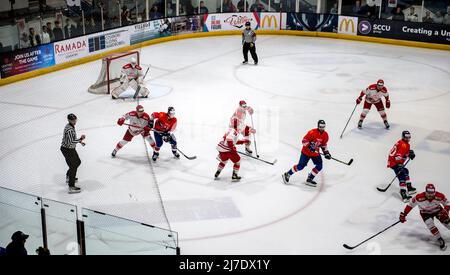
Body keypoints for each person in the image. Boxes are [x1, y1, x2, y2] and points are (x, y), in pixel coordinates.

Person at [399, 183, 450, 250]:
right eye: (428, 193)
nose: (430, 195)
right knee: (430, 225)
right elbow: (410, 205)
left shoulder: (440, 196)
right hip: (425, 213)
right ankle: (439, 238)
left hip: (438, 211)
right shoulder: (418, 197)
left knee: (447, 222)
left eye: (432, 193)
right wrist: (404, 214)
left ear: (434, 192)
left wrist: (445, 210)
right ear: (425, 192)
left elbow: (447, 203)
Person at [282, 120, 331, 187]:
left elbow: (323, 145)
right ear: (318, 126)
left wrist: (326, 153)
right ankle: (287, 174)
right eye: (320, 126)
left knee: (319, 166)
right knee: (300, 166)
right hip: (306, 152)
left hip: (315, 153)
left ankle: (310, 178)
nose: (322, 128)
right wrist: (309, 146)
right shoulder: (312, 132)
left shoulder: (325, 135)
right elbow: (304, 140)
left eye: (323, 127)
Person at [387, 130, 416, 202]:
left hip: (394, 161)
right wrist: (400, 164)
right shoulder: (403, 144)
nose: (408, 139)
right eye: (406, 137)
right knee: (401, 175)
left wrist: (409, 153)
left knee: (405, 171)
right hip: (395, 162)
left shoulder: (404, 143)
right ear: (403, 137)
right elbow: (397, 156)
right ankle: (403, 193)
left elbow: (402, 153)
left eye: (409, 137)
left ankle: (409, 188)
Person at [61, 114, 85, 194]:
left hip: (70, 148)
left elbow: (72, 140)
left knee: (77, 162)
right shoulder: (70, 129)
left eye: (75, 120)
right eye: (73, 120)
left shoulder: (69, 126)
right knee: (73, 166)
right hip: (67, 149)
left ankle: (69, 176)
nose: (75, 121)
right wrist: (80, 139)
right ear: (69, 120)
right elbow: (71, 142)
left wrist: (80, 141)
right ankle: (71, 186)